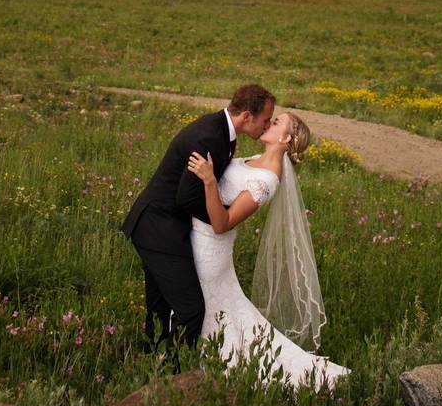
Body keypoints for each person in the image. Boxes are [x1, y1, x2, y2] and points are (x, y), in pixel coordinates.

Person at [187, 111, 349, 389]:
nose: (268, 122)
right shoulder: (253, 161)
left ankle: (212, 373)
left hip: (209, 251)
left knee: (210, 314)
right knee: (227, 316)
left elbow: (221, 224)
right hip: (196, 239)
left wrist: (210, 181)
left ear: (286, 138)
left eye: (276, 123)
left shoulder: (266, 181)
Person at [121, 84, 275, 361]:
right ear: (247, 116)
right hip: (158, 228)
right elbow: (186, 199)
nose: (266, 126)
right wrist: (225, 219)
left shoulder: (222, 132)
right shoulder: (210, 137)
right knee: (190, 309)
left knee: (159, 307)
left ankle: (149, 365)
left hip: (159, 225)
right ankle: (174, 374)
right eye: (265, 120)